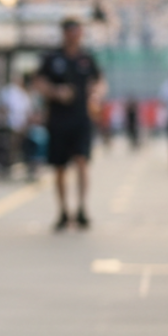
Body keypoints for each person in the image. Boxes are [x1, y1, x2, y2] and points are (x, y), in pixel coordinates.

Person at [35, 18, 105, 230]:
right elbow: (38, 82)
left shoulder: (86, 58)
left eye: (77, 31)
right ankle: (63, 211)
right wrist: (55, 92)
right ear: (64, 33)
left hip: (81, 119)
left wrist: (96, 95)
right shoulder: (52, 57)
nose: (74, 35)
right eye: (70, 31)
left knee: (82, 162)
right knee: (60, 168)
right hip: (58, 120)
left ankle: (82, 208)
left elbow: (100, 81)